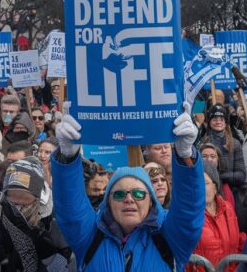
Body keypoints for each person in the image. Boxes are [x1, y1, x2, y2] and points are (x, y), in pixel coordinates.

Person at [51, 102, 204, 271]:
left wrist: (185, 156)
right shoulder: (90, 236)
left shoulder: (169, 238)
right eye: (119, 194)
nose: (129, 199)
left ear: (151, 201)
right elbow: (70, 208)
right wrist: (68, 156)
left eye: (138, 194)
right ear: (108, 201)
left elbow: (189, 210)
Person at [0, 157, 72, 272]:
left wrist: (50, 256)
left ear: (37, 197)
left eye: (24, 197)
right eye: (12, 197)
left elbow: (65, 257)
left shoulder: (50, 220)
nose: (18, 204)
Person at [189, 162, 243, 272]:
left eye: (204, 182)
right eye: (195, 183)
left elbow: (236, 244)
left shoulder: (227, 208)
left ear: (215, 186)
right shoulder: (188, 213)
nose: (199, 187)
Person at [199, 105, 245, 201]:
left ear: (225, 122)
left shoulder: (235, 143)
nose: (218, 121)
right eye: (215, 119)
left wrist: (219, 177)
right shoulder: (202, 143)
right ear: (210, 122)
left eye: (221, 119)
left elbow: (241, 175)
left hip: (230, 191)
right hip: (207, 191)